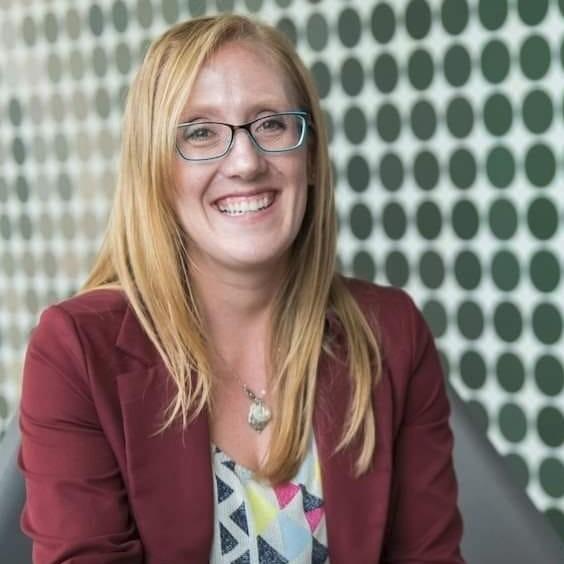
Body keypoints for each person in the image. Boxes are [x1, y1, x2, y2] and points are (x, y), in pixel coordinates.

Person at [19, 13, 464, 564]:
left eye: (271, 124)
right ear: (154, 170)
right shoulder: (76, 352)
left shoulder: (392, 333)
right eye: (201, 132)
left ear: (311, 158)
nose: (247, 162)